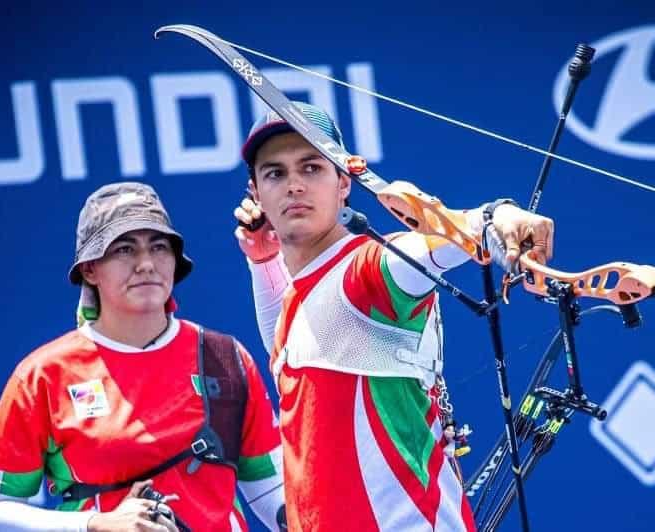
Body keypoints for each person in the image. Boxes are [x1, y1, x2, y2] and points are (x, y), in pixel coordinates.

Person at [233, 102, 554, 531]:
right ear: (255, 192)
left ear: (344, 182)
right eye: (275, 173)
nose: (294, 185)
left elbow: (431, 247)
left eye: (311, 168)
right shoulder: (304, 295)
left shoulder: (366, 272)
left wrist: (495, 217)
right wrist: (263, 261)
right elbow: (289, 343)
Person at [0, 182, 286, 532]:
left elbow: (270, 489)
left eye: (159, 247)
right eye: (123, 250)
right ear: (90, 269)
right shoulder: (42, 376)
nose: (146, 264)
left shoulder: (225, 359)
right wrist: (95, 524)